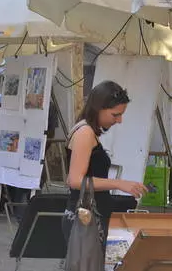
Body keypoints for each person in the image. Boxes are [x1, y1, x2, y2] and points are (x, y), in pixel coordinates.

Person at [62, 81, 148, 248]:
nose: (119, 120)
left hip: (88, 215)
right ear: (98, 108)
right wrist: (118, 183)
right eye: (115, 115)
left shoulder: (86, 130)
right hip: (86, 217)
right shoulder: (85, 133)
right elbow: (75, 181)